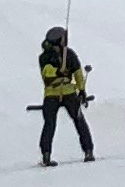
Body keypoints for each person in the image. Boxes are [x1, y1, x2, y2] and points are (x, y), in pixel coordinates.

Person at [35, 25, 94, 166]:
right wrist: (57, 72)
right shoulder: (45, 56)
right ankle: (46, 154)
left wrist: (81, 90)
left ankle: (88, 150)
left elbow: (78, 73)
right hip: (52, 93)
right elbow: (46, 72)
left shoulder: (69, 54)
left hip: (67, 93)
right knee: (50, 124)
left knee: (78, 121)